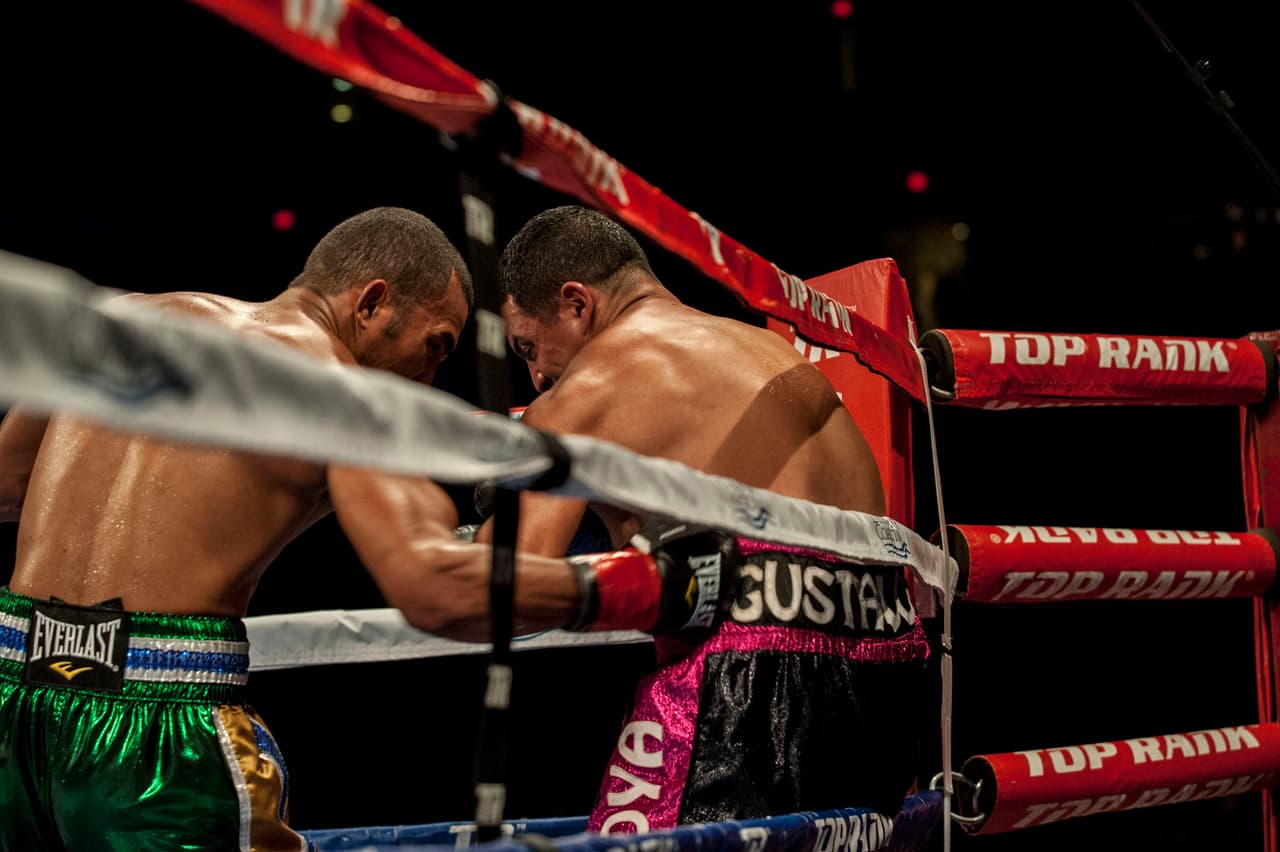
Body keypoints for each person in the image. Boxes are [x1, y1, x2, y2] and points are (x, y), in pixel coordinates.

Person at [0, 204, 736, 850]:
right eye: (437, 345)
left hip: (11, 689)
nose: (429, 379)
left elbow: (8, 487)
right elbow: (439, 589)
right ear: (373, 302)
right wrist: (652, 587)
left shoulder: (127, 315)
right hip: (162, 735)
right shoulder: (338, 393)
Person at [488, 204, 931, 833]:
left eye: (530, 346)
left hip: (750, 676)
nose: (536, 376)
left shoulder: (590, 386)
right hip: (888, 661)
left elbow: (504, 585)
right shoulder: (772, 353)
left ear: (576, 303)